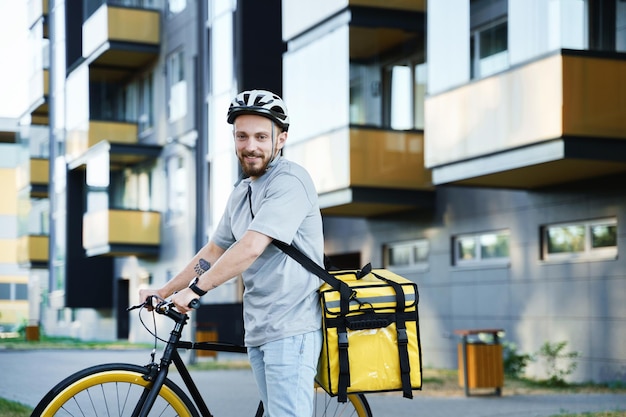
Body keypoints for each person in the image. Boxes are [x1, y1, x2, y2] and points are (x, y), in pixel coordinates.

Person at [139, 89, 324, 417]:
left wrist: (196, 290)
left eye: (260, 136)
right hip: (258, 327)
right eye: (241, 136)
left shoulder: (291, 181)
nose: (250, 145)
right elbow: (213, 250)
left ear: (280, 139)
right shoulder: (241, 193)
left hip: (291, 327)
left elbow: (251, 247)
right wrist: (165, 290)